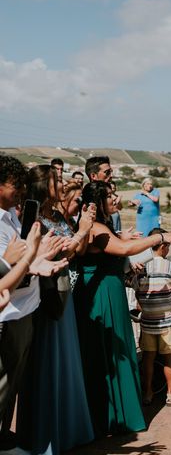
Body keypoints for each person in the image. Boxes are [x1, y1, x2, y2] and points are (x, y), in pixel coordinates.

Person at [73, 181, 171, 437]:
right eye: (110, 195)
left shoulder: (103, 226)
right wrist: (159, 237)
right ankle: (109, 418)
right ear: (98, 203)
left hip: (111, 290)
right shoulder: (96, 227)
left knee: (116, 348)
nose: (116, 197)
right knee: (107, 351)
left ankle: (118, 414)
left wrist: (122, 236)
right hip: (101, 296)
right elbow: (122, 250)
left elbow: (115, 244)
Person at [16, 165, 96, 454]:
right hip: (45, 298)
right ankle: (45, 435)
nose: (63, 184)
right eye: (57, 180)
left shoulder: (59, 215)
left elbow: (77, 252)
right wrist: (82, 232)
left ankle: (69, 430)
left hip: (65, 294)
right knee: (48, 364)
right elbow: (38, 254)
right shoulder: (32, 217)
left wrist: (82, 231)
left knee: (67, 362)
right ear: (42, 185)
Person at [0, 155, 68, 450]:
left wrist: (37, 261)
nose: (20, 190)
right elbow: (6, 270)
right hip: (8, 315)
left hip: (26, 311)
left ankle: (3, 439)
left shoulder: (12, 217)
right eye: (15, 184)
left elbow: (20, 263)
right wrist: (26, 260)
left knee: (12, 387)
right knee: (1, 386)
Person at [134, 228, 171, 407]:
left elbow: (138, 293)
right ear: (163, 246)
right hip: (167, 321)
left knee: (148, 358)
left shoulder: (142, 267)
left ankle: (148, 392)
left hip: (148, 321)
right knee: (168, 358)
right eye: (168, 247)